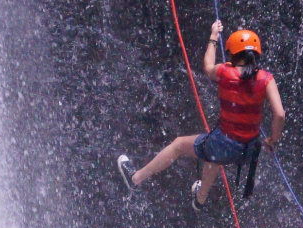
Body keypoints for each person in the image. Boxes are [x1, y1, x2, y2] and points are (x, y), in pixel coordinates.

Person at [117, 20, 286, 210]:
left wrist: (213, 37)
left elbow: (207, 66)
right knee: (212, 151)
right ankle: (200, 198)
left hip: (224, 145)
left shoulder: (225, 72)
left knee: (181, 145)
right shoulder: (266, 78)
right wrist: (273, 139)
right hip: (247, 151)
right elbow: (279, 114)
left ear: (233, 54)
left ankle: (135, 178)